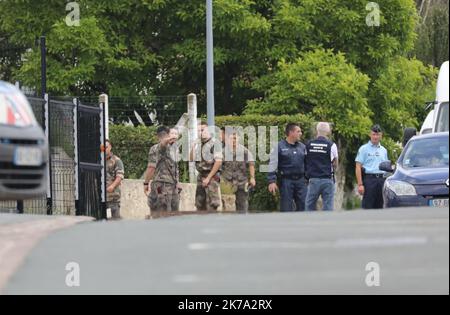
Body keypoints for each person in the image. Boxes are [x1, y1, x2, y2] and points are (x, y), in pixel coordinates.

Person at [267, 123, 307, 212]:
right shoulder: (279, 146)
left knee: (304, 208)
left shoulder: (303, 147)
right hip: (286, 182)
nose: (301, 133)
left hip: (301, 182)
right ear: (291, 133)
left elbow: (307, 164)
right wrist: (272, 181)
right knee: (286, 209)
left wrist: (308, 178)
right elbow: (272, 164)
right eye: (298, 131)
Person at [144, 126, 180, 214]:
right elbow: (151, 167)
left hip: (170, 186)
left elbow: (174, 168)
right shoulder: (157, 148)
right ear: (167, 135)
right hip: (162, 185)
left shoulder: (174, 149)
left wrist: (177, 183)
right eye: (172, 134)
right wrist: (146, 182)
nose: (174, 136)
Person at [305, 122, 338, 211]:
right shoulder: (332, 145)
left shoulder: (308, 144)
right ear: (328, 132)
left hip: (313, 180)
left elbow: (306, 160)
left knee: (309, 206)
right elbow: (335, 163)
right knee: (328, 207)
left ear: (316, 130)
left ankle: (308, 224)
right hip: (327, 179)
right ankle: (327, 224)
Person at [355, 124, 389, 209]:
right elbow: (358, 167)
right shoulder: (363, 149)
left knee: (380, 206)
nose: (375, 137)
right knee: (368, 206)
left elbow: (386, 168)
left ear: (381, 135)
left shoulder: (384, 150)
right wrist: (360, 185)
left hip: (381, 181)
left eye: (377, 135)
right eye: (373, 134)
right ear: (370, 135)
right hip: (369, 181)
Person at [222, 130, 256, 212]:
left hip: (241, 182)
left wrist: (252, 178)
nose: (233, 140)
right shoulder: (223, 152)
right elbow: (218, 165)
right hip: (227, 183)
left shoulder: (245, 151)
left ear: (238, 139)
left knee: (242, 205)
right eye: (231, 138)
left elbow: (251, 164)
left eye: (235, 138)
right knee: (226, 206)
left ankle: (242, 223)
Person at [191, 121, 223, 211]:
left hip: (211, 176)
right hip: (201, 176)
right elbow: (191, 159)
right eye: (198, 131)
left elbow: (218, 162)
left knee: (212, 204)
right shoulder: (200, 144)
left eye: (202, 130)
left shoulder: (214, 143)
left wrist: (209, 178)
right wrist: (193, 146)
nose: (200, 132)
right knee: (200, 204)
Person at [105, 139, 125, 219]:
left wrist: (112, 186)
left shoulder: (116, 160)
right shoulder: (99, 160)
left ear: (110, 147)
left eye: (106, 147)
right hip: (102, 198)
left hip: (113, 197)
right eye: (103, 147)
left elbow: (119, 176)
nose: (104, 149)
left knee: (115, 220)